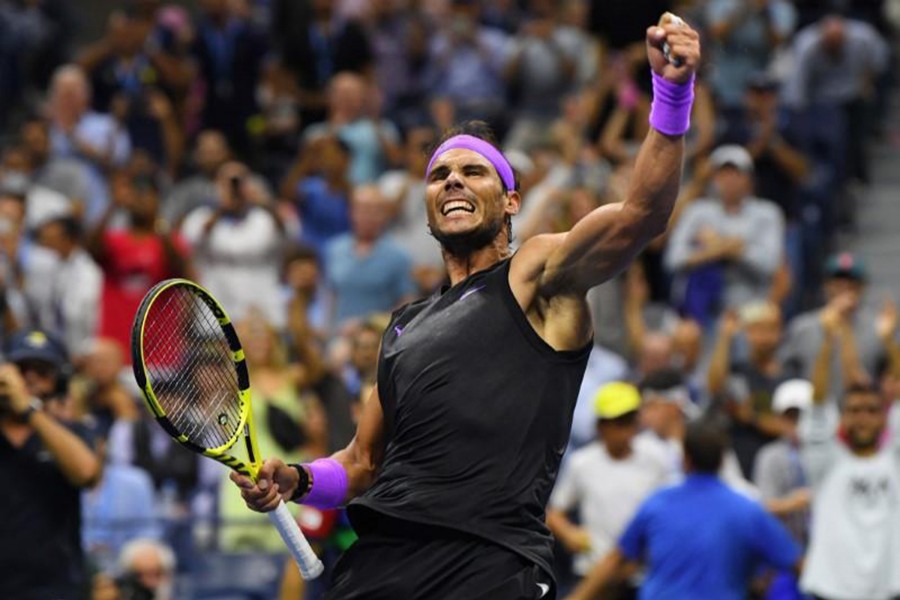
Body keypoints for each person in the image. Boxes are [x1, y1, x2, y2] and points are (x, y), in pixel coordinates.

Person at [233, 16, 700, 599]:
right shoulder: (402, 327)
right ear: (427, 207)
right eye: (439, 175)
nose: (452, 180)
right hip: (380, 567)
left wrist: (672, 93)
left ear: (510, 199)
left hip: (488, 566)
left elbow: (641, 215)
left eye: (472, 171)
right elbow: (362, 462)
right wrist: (297, 477)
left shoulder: (536, 274)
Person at [565, 419, 802, 600]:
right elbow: (795, 562)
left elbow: (613, 561)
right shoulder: (748, 510)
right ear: (722, 460)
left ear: (685, 459)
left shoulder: (657, 503)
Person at [0, 329, 101, 599]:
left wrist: (29, 409)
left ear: (59, 381)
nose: (30, 378)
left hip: (54, 589)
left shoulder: (73, 432)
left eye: (42, 371)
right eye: (22, 370)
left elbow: (87, 472)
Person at [547, 382, 668, 590]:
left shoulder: (656, 460)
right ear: (601, 426)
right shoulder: (583, 462)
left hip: (638, 575)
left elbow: (668, 512)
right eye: (618, 422)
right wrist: (569, 533)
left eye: (630, 420)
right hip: (591, 570)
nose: (626, 430)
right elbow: (554, 512)